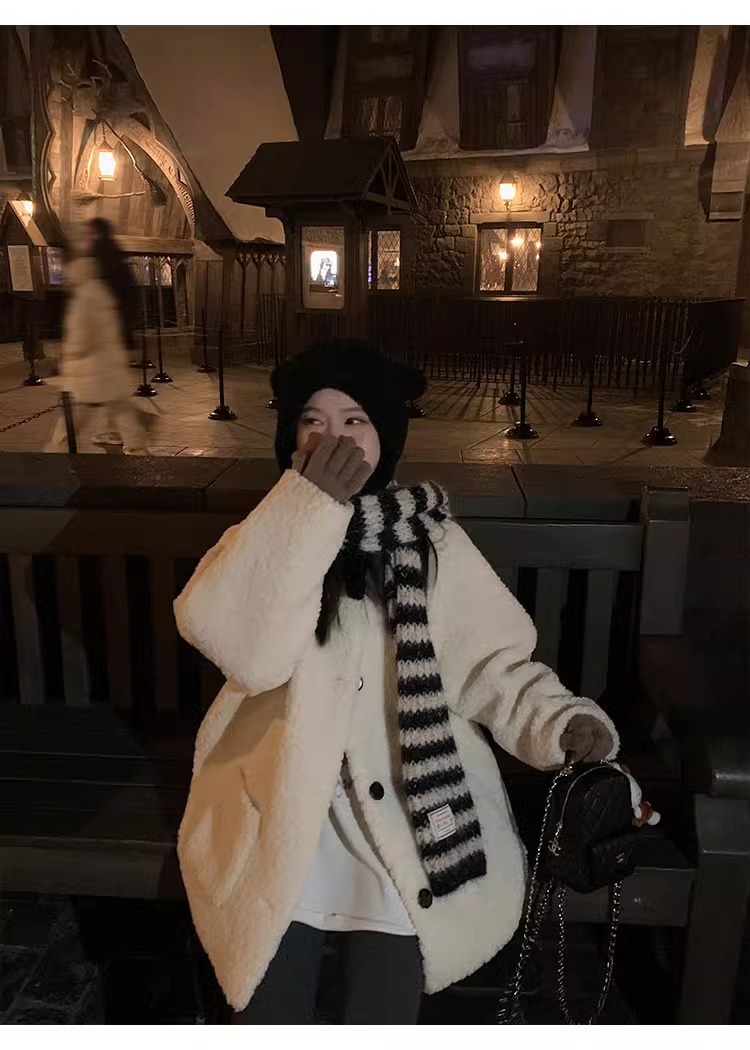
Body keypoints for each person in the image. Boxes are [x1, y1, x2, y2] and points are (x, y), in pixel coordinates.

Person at [173, 338, 619, 1024]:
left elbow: (492, 665)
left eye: (354, 420)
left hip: (409, 814)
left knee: (381, 1004)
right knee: (267, 996)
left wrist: (557, 721)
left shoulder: (432, 543)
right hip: (284, 812)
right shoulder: (264, 535)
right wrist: (305, 511)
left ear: (386, 435)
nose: (332, 439)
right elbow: (247, 653)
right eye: (312, 420)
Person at [46, 218, 148, 454]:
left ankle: (57, 450)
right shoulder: (101, 290)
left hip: (89, 366)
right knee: (120, 406)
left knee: (75, 411)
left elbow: (80, 336)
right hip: (110, 358)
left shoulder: (84, 297)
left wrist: (66, 358)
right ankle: (136, 446)